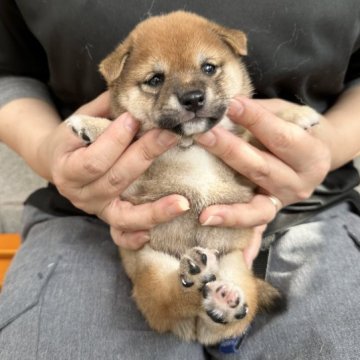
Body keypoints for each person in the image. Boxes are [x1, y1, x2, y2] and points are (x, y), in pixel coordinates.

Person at [0, 1, 359, 359]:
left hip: (311, 208)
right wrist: (50, 148)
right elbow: (9, 72)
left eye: (208, 68)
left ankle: (224, 306)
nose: (191, 92)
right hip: (97, 222)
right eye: (155, 81)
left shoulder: (237, 123)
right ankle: (187, 290)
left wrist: (328, 141)